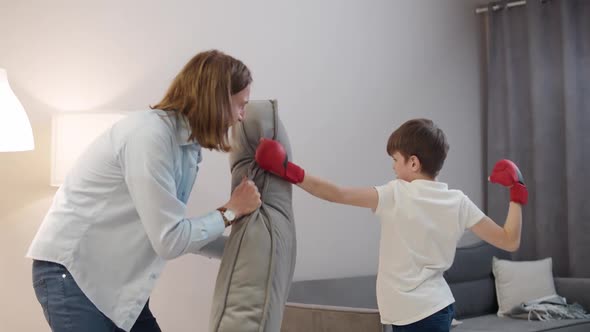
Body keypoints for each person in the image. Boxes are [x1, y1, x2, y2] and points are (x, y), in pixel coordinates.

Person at [27, 50, 262, 332]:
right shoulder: (149, 138)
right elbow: (170, 240)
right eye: (240, 105)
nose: (241, 117)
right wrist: (232, 210)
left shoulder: (186, 150)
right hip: (73, 273)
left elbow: (172, 230)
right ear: (217, 99)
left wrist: (236, 248)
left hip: (113, 285)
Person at [254, 118, 527, 332]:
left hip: (417, 314)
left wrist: (289, 170)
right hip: (433, 309)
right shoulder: (458, 202)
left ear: (413, 162)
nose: (394, 168)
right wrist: (517, 192)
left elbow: (338, 194)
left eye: (395, 160)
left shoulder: (396, 193)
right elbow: (508, 240)